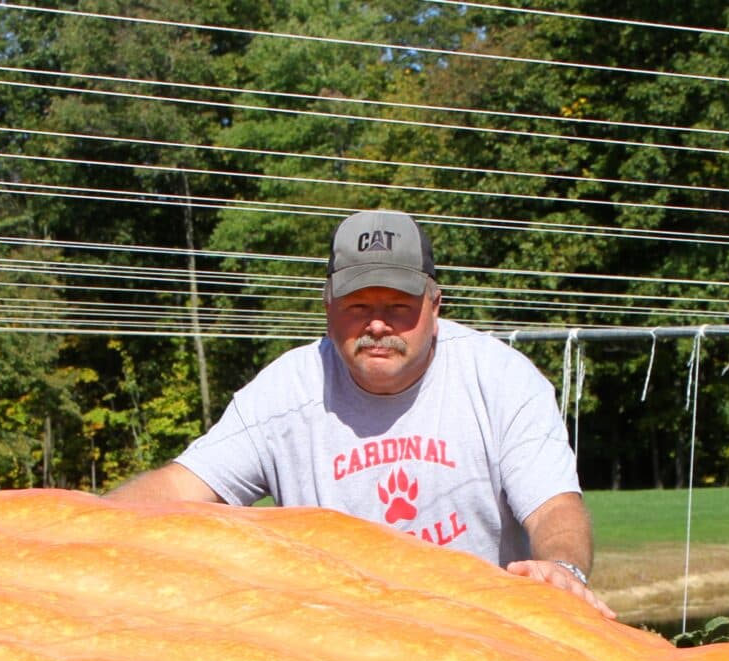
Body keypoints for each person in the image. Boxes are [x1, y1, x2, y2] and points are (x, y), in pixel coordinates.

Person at [108, 209, 615, 618]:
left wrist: (562, 568)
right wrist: (68, 532)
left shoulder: (500, 379)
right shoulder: (286, 392)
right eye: (357, 305)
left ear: (435, 305)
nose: (377, 324)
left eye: (398, 305)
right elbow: (177, 491)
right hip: (339, 654)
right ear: (327, 305)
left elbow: (554, 507)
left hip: (485, 637)